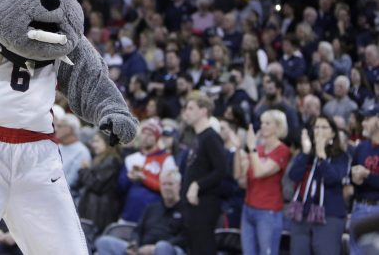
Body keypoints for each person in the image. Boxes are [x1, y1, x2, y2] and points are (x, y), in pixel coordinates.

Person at [287, 116, 349, 255]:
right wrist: (305, 153)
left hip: (329, 215)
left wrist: (321, 156)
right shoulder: (306, 153)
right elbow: (293, 175)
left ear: (333, 133)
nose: (319, 131)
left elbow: (332, 179)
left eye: (324, 127)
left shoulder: (341, 157)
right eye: (316, 127)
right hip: (302, 214)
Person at [234, 110, 291, 255]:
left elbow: (260, 172)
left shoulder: (282, 150)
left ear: (278, 127)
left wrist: (252, 148)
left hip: (268, 211)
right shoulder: (257, 150)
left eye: (267, 123)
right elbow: (239, 178)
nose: (262, 126)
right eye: (262, 122)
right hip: (248, 208)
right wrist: (238, 149)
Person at [94, 170, 187, 255]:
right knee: (103, 242)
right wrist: (134, 243)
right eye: (164, 184)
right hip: (142, 249)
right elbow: (137, 231)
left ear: (179, 185)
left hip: (169, 249)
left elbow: (184, 237)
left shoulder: (187, 210)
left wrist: (153, 248)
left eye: (170, 184)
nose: (166, 188)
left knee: (162, 247)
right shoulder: (151, 208)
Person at [180, 94, 225, 255]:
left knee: (204, 248)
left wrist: (197, 185)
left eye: (191, 108)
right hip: (192, 205)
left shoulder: (211, 137)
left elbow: (221, 170)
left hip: (204, 204)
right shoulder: (198, 137)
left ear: (203, 111)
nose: (186, 112)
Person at [117, 119, 177, 223]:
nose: (145, 137)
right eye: (143, 133)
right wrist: (129, 177)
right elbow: (120, 188)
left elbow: (169, 189)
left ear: (157, 137)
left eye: (150, 134)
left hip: (152, 217)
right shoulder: (131, 159)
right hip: (129, 213)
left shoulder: (167, 159)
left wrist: (144, 179)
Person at [77, 132, 123, 232]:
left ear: (107, 142)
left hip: (100, 210)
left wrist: (84, 170)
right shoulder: (101, 159)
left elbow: (97, 185)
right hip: (94, 206)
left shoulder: (112, 161)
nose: (93, 145)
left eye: (97, 141)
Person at [351, 105, 379, 255]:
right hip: (360, 206)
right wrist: (354, 178)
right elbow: (351, 181)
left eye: (368, 119)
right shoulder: (361, 147)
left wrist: (367, 175)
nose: (363, 123)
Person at [56, 113, 91, 197]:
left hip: (68, 199)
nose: (55, 129)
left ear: (69, 129)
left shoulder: (82, 152)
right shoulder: (57, 147)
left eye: (59, 126)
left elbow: (71, 181)